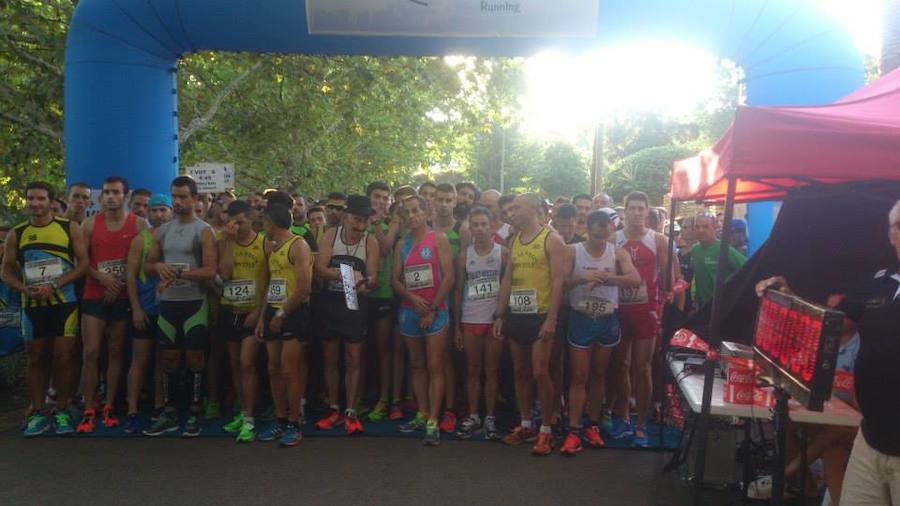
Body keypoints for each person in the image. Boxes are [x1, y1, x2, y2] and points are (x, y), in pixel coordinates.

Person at [756, 200, 900, 505]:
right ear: (891, 235)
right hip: (872, 437)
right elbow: (831, 321)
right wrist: (791, 297)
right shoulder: (881, 282)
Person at [2, 181, 89, 437]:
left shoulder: (68, 228)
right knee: (37, 357)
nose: (35, 204)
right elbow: (6, 272)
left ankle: (62, 409)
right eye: (30, 199)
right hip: (32, 304)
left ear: (51, 202)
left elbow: (83, 265)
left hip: (64, 302)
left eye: (40, 199)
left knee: (65, 356)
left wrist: (56, 284)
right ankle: (38, 411)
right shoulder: (17, 233)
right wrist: (23, 288)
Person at [142, 176, 217, 437]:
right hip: (168, 304)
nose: (178, 201)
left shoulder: (204, 230)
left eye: (184, 196)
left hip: (194, 302)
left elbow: (210, 270)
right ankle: (170, 411)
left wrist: (178, 274)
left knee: (195, 358)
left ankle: (195, 411)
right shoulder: (162, 230)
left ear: (195, 199)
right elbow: (148, 265)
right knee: (169, 358)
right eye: (175, 196)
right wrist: (159, 267)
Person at [559, 211, 639, 456]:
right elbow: (559, 282)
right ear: (590, 227)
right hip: (580, 318)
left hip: (607, 319)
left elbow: (634, 279)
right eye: (600, 225)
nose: (605, 229)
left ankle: (592, 425)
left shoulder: (617, 252)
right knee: (580, 375)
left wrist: (607, 278)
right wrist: (583, 277)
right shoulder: (573, 250)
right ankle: (574, 429)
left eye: (608, 225)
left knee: (599, 373)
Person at [494, 193, 568, 456]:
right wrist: (500, 315)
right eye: (510, 208)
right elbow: (507, 280)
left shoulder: (551, 240)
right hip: (517, 314)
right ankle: (526, 424)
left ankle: (546, 429)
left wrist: (552, 318)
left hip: (541, 314)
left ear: (534, 209)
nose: (512, 212)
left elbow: (559, 281)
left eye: (517, 207)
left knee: (540, 371)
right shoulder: (514, 240)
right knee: (521, 371)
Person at [76, 176, 147, 433]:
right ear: (100, 197)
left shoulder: (138, 224)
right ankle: (88, 404)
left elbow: (140, 262)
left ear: (126, 196)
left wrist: (117, 284)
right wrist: (103, 279)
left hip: (123, 295)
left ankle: (109, 404)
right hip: (95, 294)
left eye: (116, 192)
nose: (110, 197)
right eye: (106, 192)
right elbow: (82, 262)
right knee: (92, 351)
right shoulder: (89, 225)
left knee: (116, 351)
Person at [610, 191, 672, 447]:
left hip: (647, 310)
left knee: (642, 367)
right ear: (624, 211)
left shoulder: (658, 240)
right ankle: (624, 415)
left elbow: (668, 279)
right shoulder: (614, 239)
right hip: (620, 309)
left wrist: (665, 306)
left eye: (641, 209)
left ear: (647, 212)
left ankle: (641, 423)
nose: (636, 213)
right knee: (620, 365)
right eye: (632, 208)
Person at [392, 195, 455, 446]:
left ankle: (433, 421)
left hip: (436, 311)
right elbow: (395, 280)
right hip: (409, 311)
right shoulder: (401, 244)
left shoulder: (438, 238)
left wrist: (432, 308)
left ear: (425, 211)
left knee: (435, 365)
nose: (411, 216)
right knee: (417, 365)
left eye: (415, 210)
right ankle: (423, 413)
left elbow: (449, 277)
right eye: (406, 212)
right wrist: (411, 298)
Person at [314, 195, 379, 435]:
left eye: (364, 221)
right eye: (356, 219)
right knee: (330, 357)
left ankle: (351, 410)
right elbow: (319, 267)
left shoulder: (370, 242)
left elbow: (374, 277)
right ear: (345, 216)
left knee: (353, 358)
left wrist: (366, 281)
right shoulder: (331, 234)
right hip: (331, 302)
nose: (360, 225)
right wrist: (344, 275)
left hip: (355, 305)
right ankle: (333, 407)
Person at [251, 203, 312, 447]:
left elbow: (304, 287)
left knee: (289, 369)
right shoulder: (272, 248)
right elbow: (272, 284)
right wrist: (263, 317)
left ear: (272, 223)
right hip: (274, 310)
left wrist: (282, 313)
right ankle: (280, 418)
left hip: (293, 313)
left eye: (264, 222)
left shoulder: (299, 245)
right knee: (273, 368)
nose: (263, 226)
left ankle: (295, 423)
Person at [214, 200, 268, 442]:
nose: (237, 227)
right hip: (229, 309)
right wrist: (227, 241)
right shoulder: (224, 241)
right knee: (235, 364)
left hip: (252, 312)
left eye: (241, 222)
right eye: (232, 223)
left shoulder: (265, 243)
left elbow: (271, 282)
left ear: (251, 217)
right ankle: (242, 409)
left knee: (247, 363)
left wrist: (259, 312)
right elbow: (224, 274)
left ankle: (249, 417)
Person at [454, 206, 507, 440]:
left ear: (492, 226)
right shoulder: (465, 255)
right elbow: (457, 290)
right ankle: (474, 415)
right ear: (470, 228)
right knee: (473, 369)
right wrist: (456, 325)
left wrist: (502, 316)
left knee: (492, 370)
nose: (480, 229)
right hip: (470, 318)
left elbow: (507, 286)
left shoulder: (503, 253)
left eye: (484, 224)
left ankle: (490, 417)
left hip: (493, 320)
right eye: (475, 225)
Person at [122, 194, 173, 433]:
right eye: (154, 210)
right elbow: (130, 276)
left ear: (171, 212)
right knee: (140, 359)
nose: (159, 215)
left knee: (162, 361)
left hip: (172, 309)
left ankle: (159, 405)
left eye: (163, 210)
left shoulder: (178, 237)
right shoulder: (140, 240)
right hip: (145, 308)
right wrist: (136, 309)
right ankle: (132, 410)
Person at [364, 181, 400, 422]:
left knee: (384, 349)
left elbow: (386, 248)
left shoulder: (392, 224)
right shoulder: (357, 221)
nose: (381, 201)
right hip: (360, 294)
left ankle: (385, 399)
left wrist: (377, 224)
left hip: (385, 294)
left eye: (385, 198)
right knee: (361, 349)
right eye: (377, 197)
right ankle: (363, 396)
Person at [432, 183, 462, 432]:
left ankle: (450, 409)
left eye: (448, 200)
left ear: (455, 202)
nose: (443, 204)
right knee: (431, 358)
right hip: (427, 301)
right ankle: (430, 408)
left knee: (448, 358)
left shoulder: (462, 230)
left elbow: (462, 272)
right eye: (439, 199)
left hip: (452, 299)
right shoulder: (426, 229)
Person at [689, 214, 746, 309]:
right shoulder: (695, 250)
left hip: (723, 306)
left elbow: (747, 268)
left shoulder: (724, 249)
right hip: (703, 307)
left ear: (714, 227)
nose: (700, 230)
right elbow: (699, 278)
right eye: (697, 227)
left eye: (705, 226)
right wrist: (695, 302)